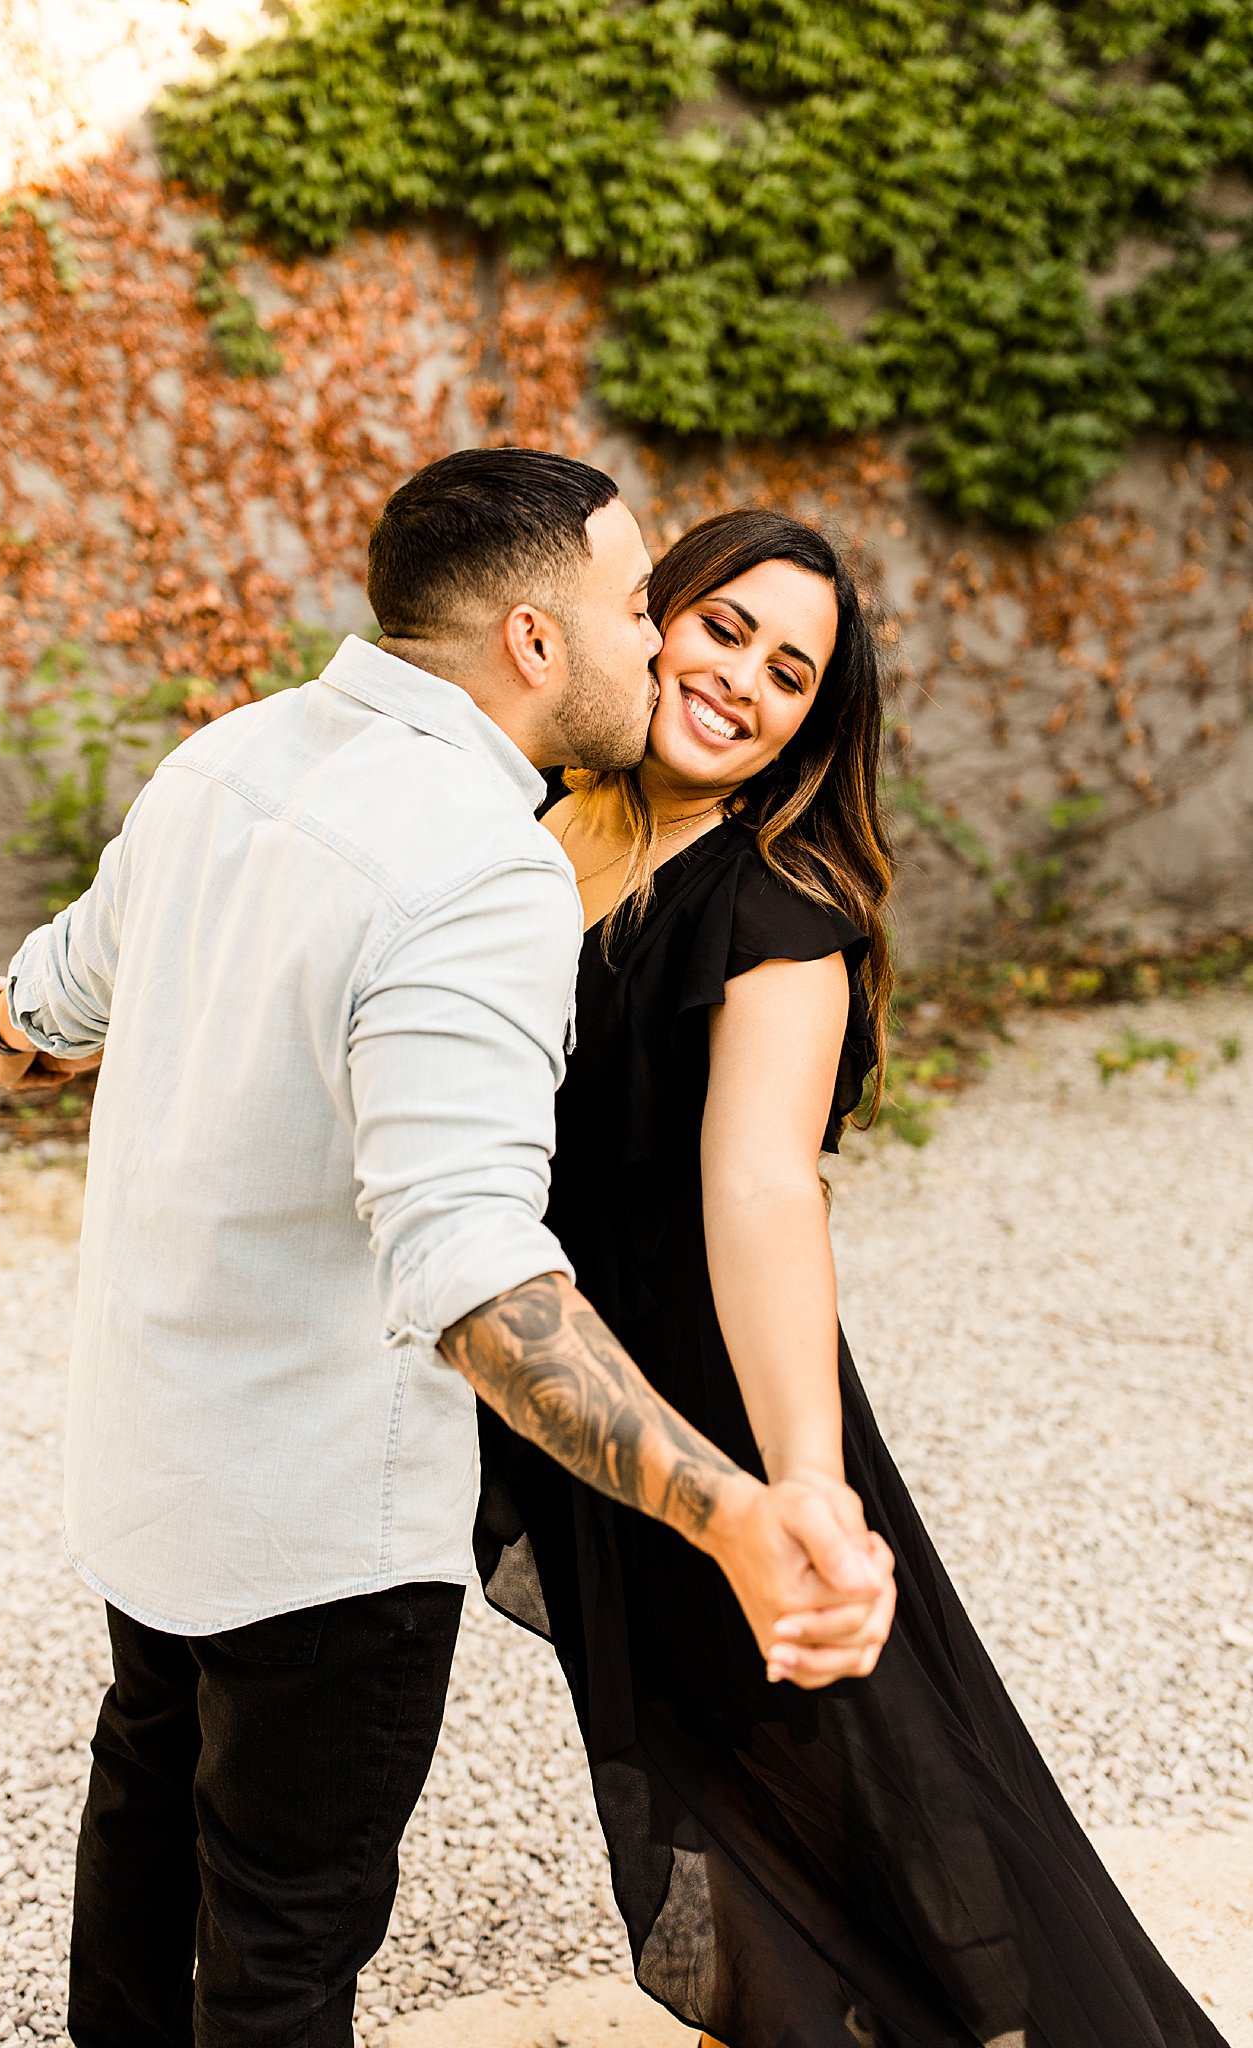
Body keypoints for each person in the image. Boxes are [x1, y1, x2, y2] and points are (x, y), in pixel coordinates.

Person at [0, 451, 896, 2048]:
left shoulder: (224, 760)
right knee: (279, 1941)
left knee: (143, 1834)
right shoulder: (483, 868)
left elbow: (30, 1016)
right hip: (323, 1523)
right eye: (636, 606)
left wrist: (43, 1036)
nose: (661, 645)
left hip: (148, 1468)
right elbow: (468, 1264)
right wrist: (734, 1514)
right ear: (535, 643)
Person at [477, 507, 1228, 2048]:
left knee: (844, 1757)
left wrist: (804, 1485)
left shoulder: (774, 917)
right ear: (648, 620)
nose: (743, 679)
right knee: (696, 1752)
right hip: (558, 1358)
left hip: (714, 1391)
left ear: (814, 725)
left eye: (792, 671)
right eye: (722, 627)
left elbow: (761, 1185)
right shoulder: (536, 819)